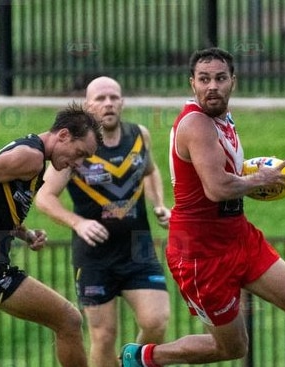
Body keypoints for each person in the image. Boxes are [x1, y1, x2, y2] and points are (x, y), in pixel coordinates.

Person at [120, 48, 285, 366]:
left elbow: (223, 175)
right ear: (192, 83)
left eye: (220, 78)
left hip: (238, 236)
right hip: (199, 253)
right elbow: (218, 188)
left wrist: (250, 176)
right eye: (204, 79)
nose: (212, 86)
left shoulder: (223, 119)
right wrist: (260, 179)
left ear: (233, 81)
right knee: (232, 348)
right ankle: (143, 357)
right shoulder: (196, 124)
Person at [35, 76, 171, 367]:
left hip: (139, 248)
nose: (108, 103)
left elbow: (150, 171)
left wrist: (159, 204)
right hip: (94, 257)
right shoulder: (75, 148)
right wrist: (77, 223)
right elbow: (44, 196)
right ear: (87, 106)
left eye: (114, 97)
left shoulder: (139, 135)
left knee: (156, 321)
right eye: (100, 98)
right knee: (104, 335)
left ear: (122, 102)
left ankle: (131, 362)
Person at [0, 103, 102, 367]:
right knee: (69, 320)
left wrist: (27, 234)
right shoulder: (31, 157)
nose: (77, 164)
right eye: (80, 154)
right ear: (63, 135)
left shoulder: (33, 158)